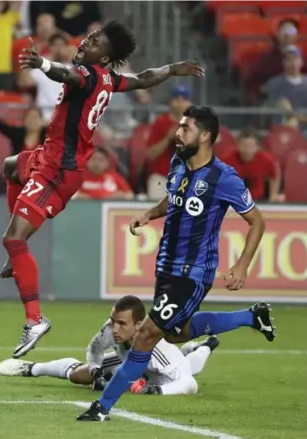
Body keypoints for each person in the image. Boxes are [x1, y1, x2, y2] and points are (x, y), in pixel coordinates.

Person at [0, 20, 205, 360]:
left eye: (96, 42)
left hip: (58, 171)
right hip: (45, 157)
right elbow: (143, 78)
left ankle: (35, 320)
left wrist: (43, 64)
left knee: (13, 238)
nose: (87, 42)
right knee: (11, 167)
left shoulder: (91, 75)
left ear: (105, 58)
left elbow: (67, 76)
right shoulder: (111, 79)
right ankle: (17, 255)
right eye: (90, 37)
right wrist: (171, 69)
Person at [77, 106, 276, 421]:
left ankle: (102, 407)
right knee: (177, 333)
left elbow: (257, 222)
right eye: (179, 127)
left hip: (193, 272)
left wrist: (242, 265)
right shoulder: (178, 163)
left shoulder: (224, 177)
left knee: (146, 334)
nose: (177, 133)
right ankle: (251, 316)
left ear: (206, 136)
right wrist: (150, 214)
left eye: (186, 128)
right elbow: (174, 198)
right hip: (167, 267)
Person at [0, 295, 218, 396]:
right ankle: (31, 368)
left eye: (122, 324)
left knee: (191, 368)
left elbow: (189, 384)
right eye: (113, 321)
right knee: (79, 375)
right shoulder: (111, 329)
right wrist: (95, 369)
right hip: (130, 360)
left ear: (140, 325)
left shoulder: (158, 353)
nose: (114, 329)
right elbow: (95, 349)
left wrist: (157, 390)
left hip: (159, 373)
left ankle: (204, 346)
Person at [146, 85, 193, 200]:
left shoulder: (195, 124)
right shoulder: (161, 122)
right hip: (161, 178)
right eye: (177, 99)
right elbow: (150, 155)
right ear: (171, 102)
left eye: (184, 100)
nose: (180, 103)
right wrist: (168, 138)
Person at [222, 127, 280, 202]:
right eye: (243, 146)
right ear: (237, 145)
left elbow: (275, 173)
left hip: (258, 201)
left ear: (258, 147)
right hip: (233, 201)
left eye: (251, 146)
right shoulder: (227, 159)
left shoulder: (265, 159)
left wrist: (273, 194)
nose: (247, 150)